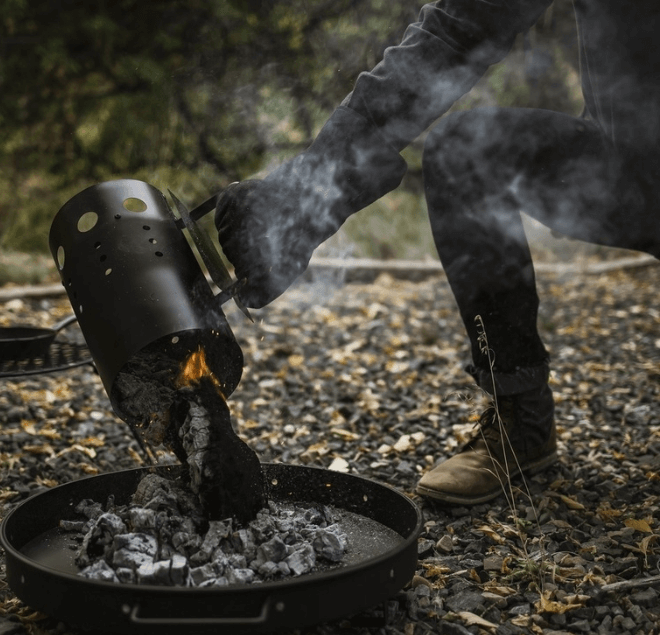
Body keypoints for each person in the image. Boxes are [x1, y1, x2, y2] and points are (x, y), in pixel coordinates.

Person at [214, 0, 660, 506]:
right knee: (466, 152)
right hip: (627, 172)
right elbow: (458, 30)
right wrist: (315, 184)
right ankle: (523, 422)